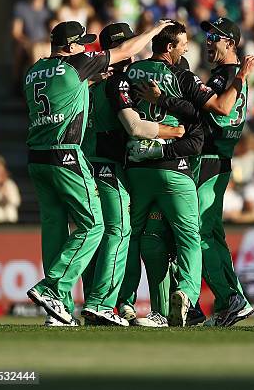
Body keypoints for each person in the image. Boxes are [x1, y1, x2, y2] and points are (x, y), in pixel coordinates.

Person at [24, 18, 174, 326]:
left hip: (36, 158)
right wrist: (155, 29)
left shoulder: (34, 71)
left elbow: (61, 93)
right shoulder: (78, 65)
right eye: (81, 43)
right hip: (66, 155)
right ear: (70, 48)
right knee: (95, 226)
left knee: (54, 230)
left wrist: (92, 80)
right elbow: (127, 49)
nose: (85, 47)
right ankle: (55, 288)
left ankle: (60, 310)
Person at [119, 21, 254, 327]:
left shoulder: (226, 76)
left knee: (199, 232)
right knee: (206, 233)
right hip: (208, 160)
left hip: (208, 159)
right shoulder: (224, 75)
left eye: (214, 38)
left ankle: (225, 299)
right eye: (206, 37)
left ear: (231, 43)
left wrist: (163, 101)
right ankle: (221, 302)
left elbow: (219, 110)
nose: (207, 42)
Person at [78, 23, 189, 327]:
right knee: (122, 232)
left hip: (84, 165)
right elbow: (136, 128)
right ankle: (105, 302)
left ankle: (103, 301)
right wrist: (174, 130)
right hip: (110, 165)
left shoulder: (87, 82)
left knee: (98, 234)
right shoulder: (117, 83)